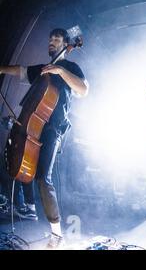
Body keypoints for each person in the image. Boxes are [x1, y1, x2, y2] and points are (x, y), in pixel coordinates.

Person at [0, 28, 88, 248]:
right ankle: (27, 207)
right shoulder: (42, 69)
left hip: (53, 129)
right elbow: (20, 71)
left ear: (65, 44)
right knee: (14, 162)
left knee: (43, 177)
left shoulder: (69, 67)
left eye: (57, 39)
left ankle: (57, 233)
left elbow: (83, 90)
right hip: (32, 124)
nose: (51, 42)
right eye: (50, 39)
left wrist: (60, 71)